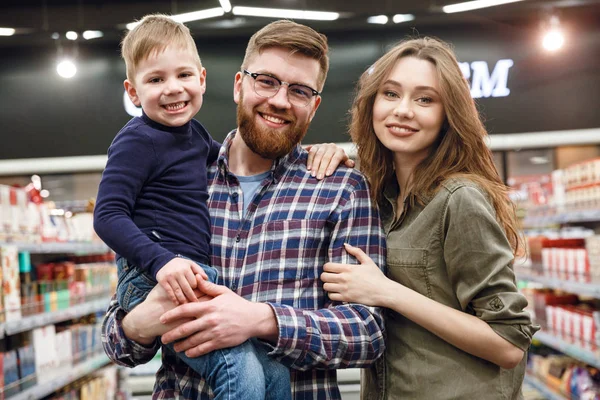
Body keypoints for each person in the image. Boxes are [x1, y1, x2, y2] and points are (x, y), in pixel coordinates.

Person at [101, 19, 387, 400]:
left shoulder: (340, 189)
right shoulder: (178, 177)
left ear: (314, 106)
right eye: (266, 80)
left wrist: (263, 321)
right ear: (239, 85)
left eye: (299, 90)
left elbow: (368, 332)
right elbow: (116, 336)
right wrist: (138, 325)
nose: (280, 100)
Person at [321, 37, 540, 399]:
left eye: (424, 99)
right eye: (390, 94)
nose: (403, 110)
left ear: (447, 114)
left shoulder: (460, 199)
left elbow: (508, 343)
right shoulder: (380, 198)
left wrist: (388, 292)